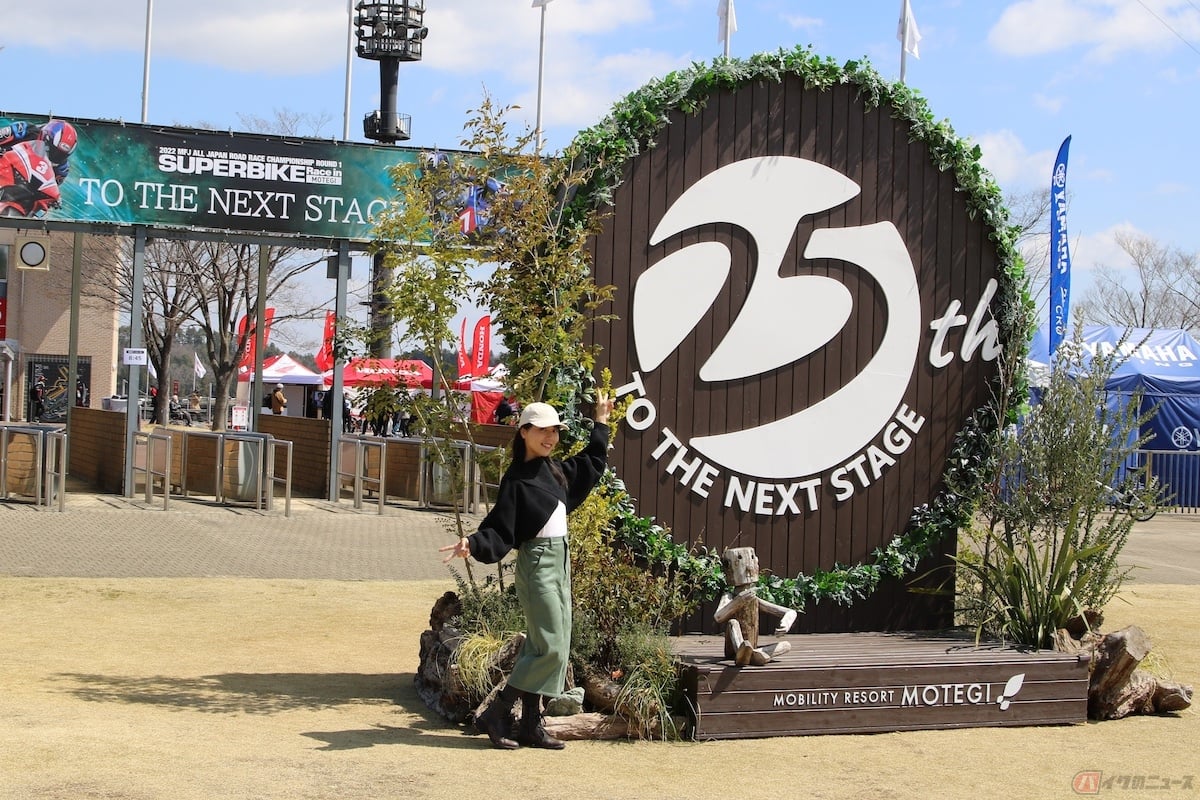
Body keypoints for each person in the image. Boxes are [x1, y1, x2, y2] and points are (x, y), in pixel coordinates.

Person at [440, 393, 613, 751]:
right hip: (537, 565)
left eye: (555, 432)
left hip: (560, 564)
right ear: (524, 432)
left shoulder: (555, 471)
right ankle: (498, 711)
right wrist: (472, 543)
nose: (550, 438)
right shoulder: (517, 480)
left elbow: (592, 462)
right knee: (550, 646)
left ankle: (532, 725)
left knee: (550, 643)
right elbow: (500, 526)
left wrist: (601, 423)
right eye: (543, 431)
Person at [0, 119, 78, 184]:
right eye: (53, 150)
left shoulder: (62, 169)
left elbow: (50, 191)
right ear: (45, 137)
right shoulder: (23, 129)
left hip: (16, 192)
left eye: (61, 155)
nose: (55, 156)